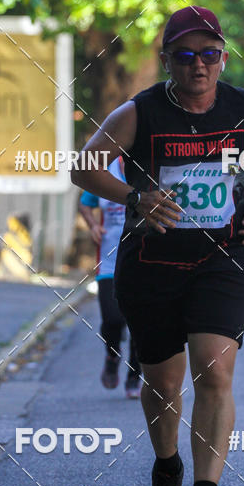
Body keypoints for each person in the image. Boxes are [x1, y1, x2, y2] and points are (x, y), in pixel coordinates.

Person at [72, 5, 244, 486]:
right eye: (187, 55)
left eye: (210, 54)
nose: (199, 65)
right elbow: (83, 165)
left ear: (223, 59)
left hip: (225, 256)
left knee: (215, 375)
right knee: (163, 384)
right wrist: (136, 198)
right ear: (168, 60)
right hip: (152, 265)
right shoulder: (139, 113)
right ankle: (167, 468)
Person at [78, 156, 142, 398]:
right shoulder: (105, 171)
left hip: (143, 261)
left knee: (140, 325)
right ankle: (112, 356)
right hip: (109, 261)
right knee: (112, 319)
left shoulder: (149, 165)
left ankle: (135, 375)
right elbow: (85, 202)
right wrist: (93, 225)